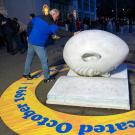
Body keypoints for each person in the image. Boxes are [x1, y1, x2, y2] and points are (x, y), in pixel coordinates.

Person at [23, 7, 76, 82]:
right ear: (53, 14)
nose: (57, 19)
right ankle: (47, 78)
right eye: (57, 16)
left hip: (30, 41)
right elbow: (59, 31)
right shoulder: (50, 23)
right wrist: (72, 33)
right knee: (44, 60)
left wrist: (28, 35)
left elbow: (30, 25)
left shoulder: (38, 17)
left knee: (29, 57)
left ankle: (25, 73)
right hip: (38, 44)